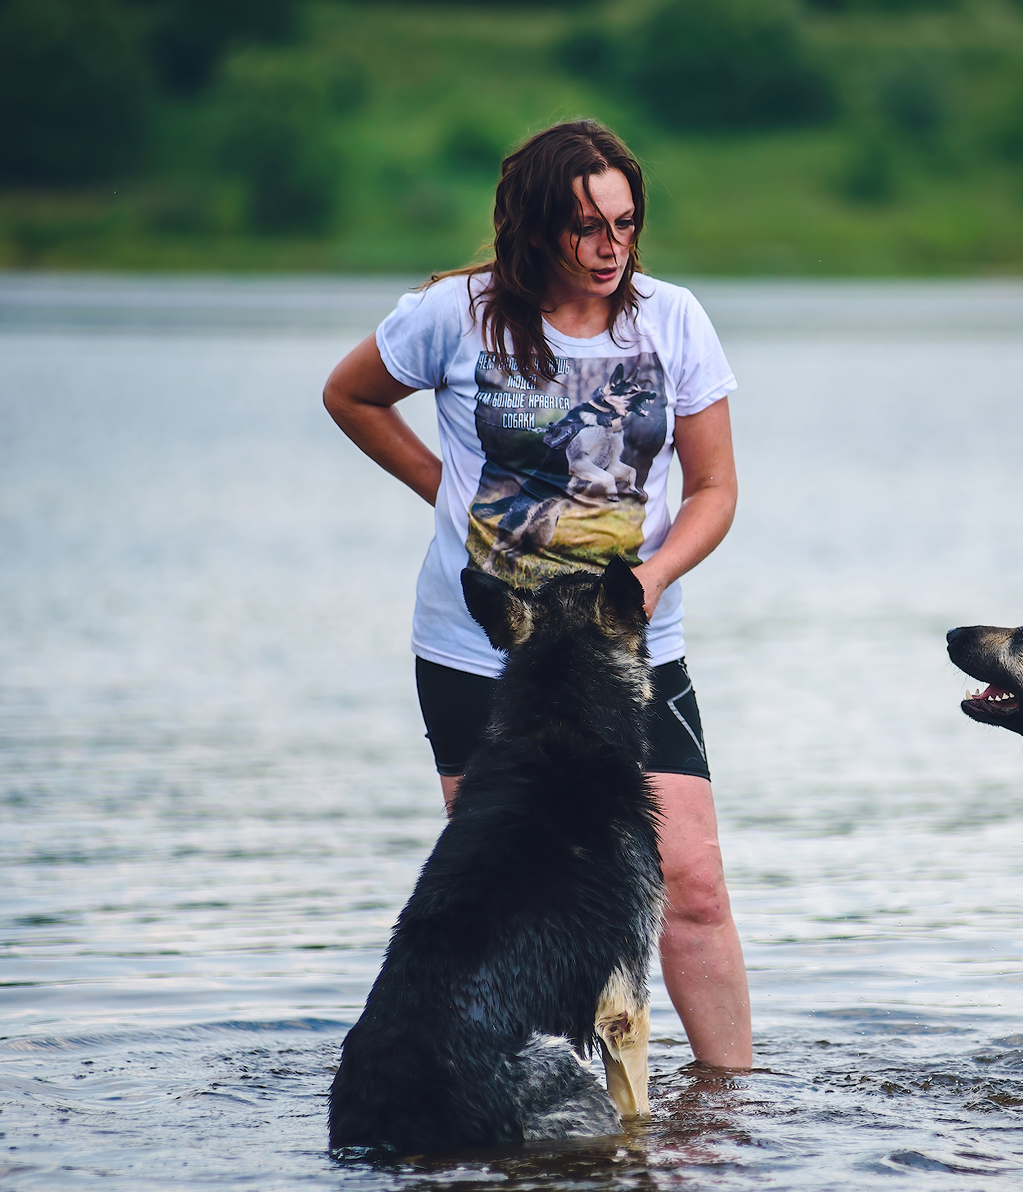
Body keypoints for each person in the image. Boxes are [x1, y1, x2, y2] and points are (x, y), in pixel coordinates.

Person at [321, 119, 751, 1069]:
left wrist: (650, 577)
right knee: (520, 897)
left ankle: (731, 1114)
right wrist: (448, 491)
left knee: (694, 886)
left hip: (633, 658)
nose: (610, 248)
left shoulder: (673, 320)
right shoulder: (454, 315)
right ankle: (544, 1111)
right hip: (481, 653)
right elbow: (348, 395)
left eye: (627, 224)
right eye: (586, 227)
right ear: (534, 225)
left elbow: (716, 491)